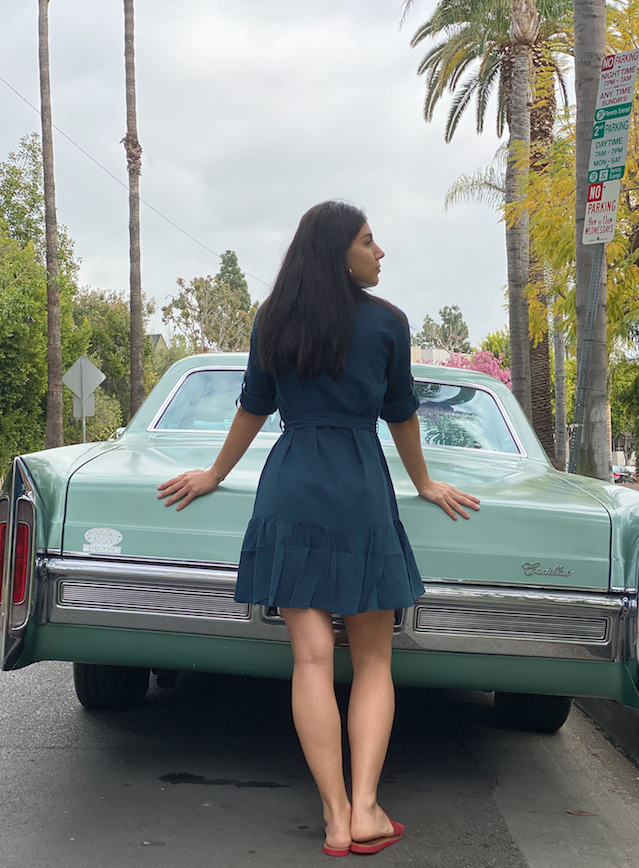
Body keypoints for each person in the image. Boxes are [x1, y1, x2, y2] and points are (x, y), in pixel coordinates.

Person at [157, 201, 480, 856]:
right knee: (370, 660)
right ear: (339, 251)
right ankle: (364, 808)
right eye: (368, 240)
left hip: (290, 485)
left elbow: (254, 405)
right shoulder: (388, 324)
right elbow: (401, 414)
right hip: (358, 489)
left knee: (308, 658)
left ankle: (333, 817)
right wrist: (421, 484)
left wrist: (216, 473)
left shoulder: (274, 318)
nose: (379, 252)